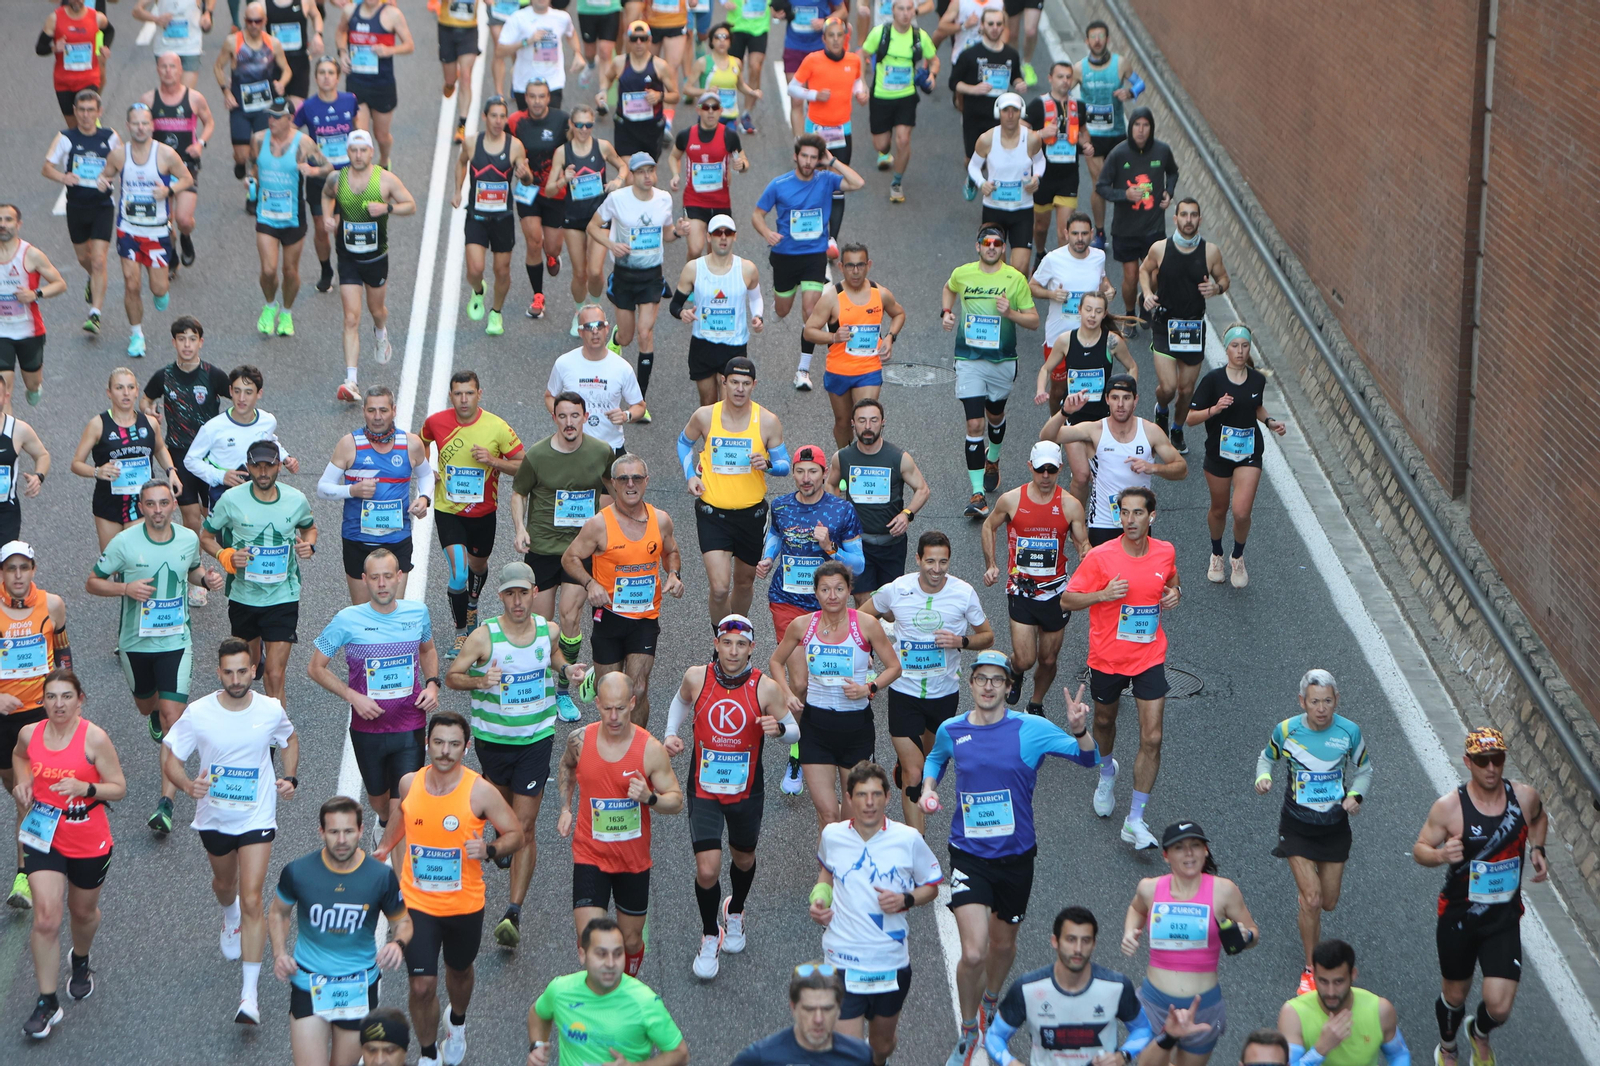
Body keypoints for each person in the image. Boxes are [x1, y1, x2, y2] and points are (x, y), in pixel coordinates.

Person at [919, 651, 1098, 1066]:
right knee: (974, 952)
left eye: (996, 680)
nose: (988, 686)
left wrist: (1080, 730)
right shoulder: (952, 729)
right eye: (981, 679)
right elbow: (936, 757)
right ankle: (968, 1030)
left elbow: (1089, 759)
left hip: (1017, 857)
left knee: (1003, 944)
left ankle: (991, 1001)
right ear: (971, 684)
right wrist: (929, 787)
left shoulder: (1031, 728)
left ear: (1009, 687)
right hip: (969, 855)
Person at [372, 711, 524, 1066]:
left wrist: (490, 849)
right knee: (421, 986)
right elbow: (403, 814)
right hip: (417, 904)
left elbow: (516, 834)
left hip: (464, 904)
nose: (445, 751)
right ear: (427, 744)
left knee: (459, 971)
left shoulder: (480, 791)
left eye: (454, 744)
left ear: (466, 747)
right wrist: (385, 845)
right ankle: (428, 1054)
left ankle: (456, 1022)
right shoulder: (410, 782)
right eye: (438, 742)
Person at [161, 637, 300, 1024]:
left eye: (242, 671)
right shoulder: (199, 712)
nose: (236, 679)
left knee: (253, 896)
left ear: (254, 670)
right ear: (218, 672)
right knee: (226, 885)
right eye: (228, 672)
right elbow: (170, 755)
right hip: (215, 817)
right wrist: (186, 785)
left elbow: (289, 739)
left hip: (257, 816)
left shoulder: (269, 709)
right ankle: (229, 913)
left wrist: (290, 776)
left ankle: (248, 997)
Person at [447, 561, 582, 947]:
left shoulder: (547, 630)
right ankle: (503, 838)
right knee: (504, 816)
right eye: (511, 594)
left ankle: (513, 912)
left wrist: (567, 671)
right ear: (501, 596)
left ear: (535, 592)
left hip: (536, 739)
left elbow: (553, 656)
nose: (518, 601)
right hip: (493, 741)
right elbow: (453, 676)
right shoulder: (483, 637)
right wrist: (478, 680)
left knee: (524, 827)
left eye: (524, 593)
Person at [663, 614, 797, 979]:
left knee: (743, 858)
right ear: (716, 645)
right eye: (727, 643)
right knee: (707, 869)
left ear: (752, 648)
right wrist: (670, 733)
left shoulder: (766, 688)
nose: (733, 651)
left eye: (741, 644)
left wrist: (779, 728)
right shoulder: (697, 677)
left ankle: (735, 909)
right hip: (704, 788)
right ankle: (710, 934)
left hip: (745, 790)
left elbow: (794, 732)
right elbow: (680, 702)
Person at [85, 480, 220, 836]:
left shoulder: (187, 538)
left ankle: (165, 803)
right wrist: (125, 588)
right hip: (136, 643)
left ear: (173, 505)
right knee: (148, 706)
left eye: (164, 503)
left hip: (176, 641)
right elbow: (93, 582)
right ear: (141, 507)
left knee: (173, 717)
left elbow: (192, 570)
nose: (158, 510)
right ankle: (153, 715)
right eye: (151, 504)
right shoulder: (124, 543)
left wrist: (206, 579)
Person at [1413, 726, 1547, 1066]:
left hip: (1503, 918)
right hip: (1459, 917)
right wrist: (1441, 855)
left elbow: (1539, 818)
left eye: (1497, 759)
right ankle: (1448, 1047)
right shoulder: (1449, 808)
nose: (1491, 768)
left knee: (1499, 1006)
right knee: (1455, 994)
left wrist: (1538, 848)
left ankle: (1479, 1032)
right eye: (1482, 760)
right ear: (1467, 762)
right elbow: (1420, 849)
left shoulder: (1524, 797)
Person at [1060, 485, 1179, 850]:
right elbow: (1067, 599)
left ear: (1151, 516)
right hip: (1108, 657)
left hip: (1149, 656)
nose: (1129, 520)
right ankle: (1107, 771)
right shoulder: (1101, 557)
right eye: (1124, 512)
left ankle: (1135, 819)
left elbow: (1170, 579)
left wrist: (1176, 593)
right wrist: (1102, 595)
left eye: (1137, 513)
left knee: (1152, 737)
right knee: (1104, 722)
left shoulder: (1165, 551)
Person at [10, 670, 124, 1040]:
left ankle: (80, 959)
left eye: (66, 696)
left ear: (80, 700)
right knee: (46, 919)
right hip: (44, 835)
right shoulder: (30, 733)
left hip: (88, 838)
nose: (59, 704)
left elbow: (118, 788)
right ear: (42, 701)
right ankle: (47, 1002)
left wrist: (86, 787)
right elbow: (19, 756)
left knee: (83, 913)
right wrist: (23, 782)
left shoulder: (94, 738)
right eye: (51, 697)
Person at [810, 761, 941, 1065]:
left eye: (876, 794)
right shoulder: (833, 835)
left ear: (887, 797)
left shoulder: (908, 839)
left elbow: (932, 886)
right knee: (849, 1053)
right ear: (849, 798)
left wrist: (906, 899)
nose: (869, 803)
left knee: (882, 1046)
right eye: (861, 795)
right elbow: (826, 873)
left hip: (890, 962)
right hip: (843, 959)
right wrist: (819, 899)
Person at [860, 531, 991, 832]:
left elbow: (987, 636)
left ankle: (910, 768)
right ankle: (915, 842)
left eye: (943, 562)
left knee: (931, 764)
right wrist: (869, 650)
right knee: (915, 773)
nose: (936, 569)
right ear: (918, 559)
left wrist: (961, 641)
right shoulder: (897, 589)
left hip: (943, 694)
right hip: (904, 692)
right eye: (930, 561)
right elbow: (861, 618)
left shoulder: (963, 593)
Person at [308, 548, 441, 838]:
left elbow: (428, 649)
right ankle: (382, 825)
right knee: (379, 802)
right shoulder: (347, 619)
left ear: (399, 577)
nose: (382, 584)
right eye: (375, 577)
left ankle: (392, 857)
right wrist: (352, 696)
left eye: (388, 576)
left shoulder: (417, 613)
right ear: (365, 579)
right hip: (368, 728)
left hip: (410, 724)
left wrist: (432, 684)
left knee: (403, 805)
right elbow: (316, 667)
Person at [556, 674, 684, 975]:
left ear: (633, 703)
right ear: (597, 704)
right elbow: (566, 766)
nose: (614, 717)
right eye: (607, 708)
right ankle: (599, 996)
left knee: (630, 940)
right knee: (591, 941)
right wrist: (565, 807)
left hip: (632, 861)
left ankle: (627, 987)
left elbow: (676, 801)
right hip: (590, 855)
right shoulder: (579, 740)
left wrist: (650, 798)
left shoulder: (650, 749)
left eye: (621, 709)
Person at [269, 796, 410, 1066]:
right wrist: (279, 953)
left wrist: (398, 943)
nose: (342, 840)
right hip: (309, 983)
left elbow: (402, 921)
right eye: (334, 832)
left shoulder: (380, 877)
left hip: (357, 987)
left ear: (361, 830)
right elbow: (278, 912)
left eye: (348, 831)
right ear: (321, 832)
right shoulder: (298, 872)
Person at [1257, 670, 1371, 994]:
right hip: (1296, 827)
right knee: (1312, 899)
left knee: (1328, 902)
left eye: (1328, 701)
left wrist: (1355, 795)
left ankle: (1311, 898)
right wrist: (1263, 778)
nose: (1321, 709)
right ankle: (1311, 969)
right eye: (1315, 702)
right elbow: (1266, 759)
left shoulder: (1349, 732)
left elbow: (1365, 769)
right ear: (1302, 701)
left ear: (1337, 700)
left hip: (1334, 828)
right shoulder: (1286, 730)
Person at [767, 561, 898, 827]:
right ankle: (826, 856)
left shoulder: (866, 624)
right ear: (816, 592)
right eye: (825, 589)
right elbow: (775, 661)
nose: (832, 596)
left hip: (855, 728)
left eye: (839, 588)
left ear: (849, 590)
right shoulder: (802, 625)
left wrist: (869, 688)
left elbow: (895, 667)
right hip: (816, 728)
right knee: (827, 816)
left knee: (850, 819)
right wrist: (787, 693)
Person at [1118, 822, 1260, 1066]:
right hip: (1155, 1003)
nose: (1189, 853)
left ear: (1205, 850)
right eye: (1179, 848)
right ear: (1166, 856)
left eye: (1195, 845)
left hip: (1203, 1006)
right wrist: (1130, 931)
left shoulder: (1224, 891)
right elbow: (1136, 908)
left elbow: (1253, 933)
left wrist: (1245, 937)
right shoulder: (1150, 888)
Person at [560, 455, 685, 725]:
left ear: (646, 481)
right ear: (613, 484)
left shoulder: (660, 520)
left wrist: (673, 574)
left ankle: (636, 745)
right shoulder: (599, 524)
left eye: (637, 478)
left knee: (637, 688)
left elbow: (671, 551)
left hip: (645, 617)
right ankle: (600, 690)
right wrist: (590, 583)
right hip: (609, 615)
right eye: (624, 479)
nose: (631, 484)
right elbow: (569, 558)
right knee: (610, 693)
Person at [512, 391, 612, 718]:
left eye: (575, 415)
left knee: (569, 617)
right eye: (563, 416)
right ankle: (539, 686)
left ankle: (562, 690)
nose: (569, 422)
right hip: (542, 549)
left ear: (585, 417)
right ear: (554, 418)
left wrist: (606, 529)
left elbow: (612, 491)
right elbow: (518, 493)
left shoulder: (601, 452)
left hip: (579, 550)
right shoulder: (537, 455)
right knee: (542, 625)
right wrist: (520, 529)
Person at [198, 440, 317, 708]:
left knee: (274, 675)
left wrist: (309, 545)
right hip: (244, 596)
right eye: (256, 466)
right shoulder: (231, 500)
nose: (263, 472)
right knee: (248, 671)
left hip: (283, 596)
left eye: (269, 466)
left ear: (279, 466)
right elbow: (206, 537)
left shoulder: (295, 499)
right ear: (248, 466)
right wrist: (226, 556)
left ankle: (276, 731)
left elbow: (309, 528)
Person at [420, 371, 526, 655]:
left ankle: (472, 604)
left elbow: (524, 465)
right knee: (458, 574)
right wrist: (427, 470)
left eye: (469, 393)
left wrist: (493, 461)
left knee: (477, 567)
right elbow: (420, 442)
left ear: (480, 394)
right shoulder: (436, 422)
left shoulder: (497, 427)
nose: (463, 399)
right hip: (448, 510)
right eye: (458, 394)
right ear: (450, 396)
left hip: (483, 513)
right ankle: (461, 635)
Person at [981, 440, 1088, 716]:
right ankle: (1015, 669)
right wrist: (991, 564)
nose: (1045, 476)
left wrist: (1085, 553)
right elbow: (989, 526)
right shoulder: (1012, 500)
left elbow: (1082, 542)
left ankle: (1036, 703)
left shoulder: (1070, 505)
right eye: (1040, 469)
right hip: (1022, 589)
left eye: (1051, 470)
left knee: (1048, 659)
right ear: (1030, 467)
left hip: (1056, 592)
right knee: (1026, 658)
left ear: (1060, 468)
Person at [679, 356, 790, 623]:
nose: (740, 389)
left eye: (746, 383)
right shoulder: (705, 416)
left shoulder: (767, 421)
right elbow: (684, 443)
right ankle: (722, 638)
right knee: (719, 588)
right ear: (724, 382)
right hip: (712, 512)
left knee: (744, 582)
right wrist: (690, 476)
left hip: (751, 514)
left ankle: (737, 635)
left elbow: (785, 465)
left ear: (754, 385)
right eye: (734, 382)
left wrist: (768, 465)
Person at [753, 135, 865, 391]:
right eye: (804, 156)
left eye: (814, 157)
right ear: (796, 156)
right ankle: (779, 304)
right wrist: (767, 233)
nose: (808, 161)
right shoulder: (779, 185)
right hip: (785, 256)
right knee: (783, 311)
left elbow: (857, 183)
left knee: (810, 310)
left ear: (819, 159)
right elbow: (757, 214)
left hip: (814, 255)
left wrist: (833, 161)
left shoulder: (826, 180)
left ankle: (802, 370)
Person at [942, 222, 1039, 517]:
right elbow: (948, 288)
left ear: (1003, 248)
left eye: (997, 243)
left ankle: (993, 457)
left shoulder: (1015, 279)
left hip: (1002, 361)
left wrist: (1011, 313)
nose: (992, 247)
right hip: (969, 360)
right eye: (987, 243)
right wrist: (946, 312)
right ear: (978, 246)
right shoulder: (962, 273)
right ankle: (977, 495)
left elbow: (1034, 320)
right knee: (975, 424)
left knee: (994, 415)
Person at [984, 905, 1153, 1066]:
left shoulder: (1117, 986)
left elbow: (1143, 1029)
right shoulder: (1027, 989)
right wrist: (1009, 1062)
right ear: (1055, 941)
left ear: (1094, 944)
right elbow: (994, 1036)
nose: (1078, 949)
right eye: (1071, 940)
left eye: (1085, 940)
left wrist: (1123, 1055)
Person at [1186, 324, 1285, 587]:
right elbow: (1190, 418)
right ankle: (1216, 553)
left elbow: (1256, 406)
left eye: (1244, 346)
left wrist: (1270, 422)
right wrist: (1215, 409)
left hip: (1249, 452)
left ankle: (1237, 557)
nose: (1240, 351)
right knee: (1219, 509)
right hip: (1218, 454)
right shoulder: (1213, 380)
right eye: (1234, 346)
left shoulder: (1257, 380)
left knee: (1241, 512)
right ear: (1226, 348)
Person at [0, 544, 71, 910]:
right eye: (10, 568)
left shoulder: (52, 605)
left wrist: (68, 696)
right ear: (2, 573)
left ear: (33, 570)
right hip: (3, 719)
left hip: (40, 716)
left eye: (23, 568)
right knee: (16, 789)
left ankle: (25, 876)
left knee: (26, 797)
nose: (17, 575)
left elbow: (63, 653)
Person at [322, 128, 417, 400]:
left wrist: (387, 208)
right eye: (354, 150)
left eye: (363, 150)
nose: (358, 155)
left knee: (377, 310)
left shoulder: (385, 180)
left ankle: (380, 331)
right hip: (348, 257)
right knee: (351, 317)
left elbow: (410, 205)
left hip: (375, 258)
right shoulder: (337, 178)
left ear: (371, 152)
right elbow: (327, 194)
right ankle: (351, 381)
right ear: (348, 152)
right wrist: (328, 216)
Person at [588, 154, 690, 408]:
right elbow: (592, 226)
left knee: (645, 333)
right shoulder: (617, 199)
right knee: (628, 337)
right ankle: (616, 339)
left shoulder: (664, 199)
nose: (647, 176)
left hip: (651, 277)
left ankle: (640, 401)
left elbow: (666, 234)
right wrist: (611, 244)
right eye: (641, 171)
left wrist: (677, 232)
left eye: (651, 171)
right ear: (632, 175)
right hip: (624, 276)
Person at [526, 916, 689, 1065]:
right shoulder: (560, 990)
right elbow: (538, 1014)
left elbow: (680, 1054)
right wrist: (537, 1047)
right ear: (582, 955)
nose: (610, 963)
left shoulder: (645, 1002)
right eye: (601, 954)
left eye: (618, 954)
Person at [320, 387, 432, 605]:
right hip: (358, 540)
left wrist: (424, 498)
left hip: (397, 540)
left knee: (393, 612)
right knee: (364, 614)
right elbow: (323, 487)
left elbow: (426, 474)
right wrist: (351, 490)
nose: (377, 417)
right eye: (371, 410)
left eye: (383, 410)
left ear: (394, 410)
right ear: (364, 411)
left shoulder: (410, 443)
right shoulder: (349, 444)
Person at [102, 103, 195, 358]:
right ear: (128, 126)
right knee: (131, 283)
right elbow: (106, 176)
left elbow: (187, 179)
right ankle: (136, 335)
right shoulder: (119, 155)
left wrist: (169, 190)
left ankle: (160, 292)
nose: (140, 128)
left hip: (156, 232)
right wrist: (102, 183)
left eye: (145, 123)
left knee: (159, 289)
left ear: (152, 125)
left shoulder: (165, 154)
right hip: (128, 230)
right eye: (135, 123)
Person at [1051, 375, 1184, 547]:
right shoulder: (1095, 429)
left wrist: (1154, 467)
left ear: (1135, 400)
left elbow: (1181, 469)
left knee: (1137, 565)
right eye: (1115, 398)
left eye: (1126, 398)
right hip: (1103, 523)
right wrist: (1064, 412)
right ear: (1107, 399)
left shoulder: (1150, 432)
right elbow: (1048, 436)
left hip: (1138, 522)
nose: (1120, 404)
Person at [1142, 198, 1228, 451]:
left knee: (1186, 389)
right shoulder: (1160, 248)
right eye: (1184, 215)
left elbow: (1224, 279)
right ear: (1175, 218)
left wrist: (1216, 288)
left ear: (1199, 219)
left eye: (1193, 215)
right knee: (1168, 388)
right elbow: (1144, 270)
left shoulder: (1210, 251)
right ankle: (1161, 408)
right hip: (1164, 324)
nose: (1188, 220)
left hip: (1192, 328)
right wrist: (1147, 293)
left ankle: (1177, 429)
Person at [825, 398, 929, 603]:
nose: (868, 426)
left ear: (882, 422)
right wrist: (838, 511)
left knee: (890, 606)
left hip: (891, 543)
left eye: (873, 420)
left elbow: (922, 489)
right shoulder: (842, 457)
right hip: (857, 544)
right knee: (863, 600)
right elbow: (830, 484)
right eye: (862, 420)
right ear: (853, 424)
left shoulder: (898, 457)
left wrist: (906, 514)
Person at [1036, 293, 1135, 507]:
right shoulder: (1066, 340)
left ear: (1104, 314)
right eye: (1088, 310)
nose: (1092, 315)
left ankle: (1104, 517)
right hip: (1075, 418)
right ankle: (1077, 521)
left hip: (1104, 420)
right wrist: (1040, 390)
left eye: (1098, 311)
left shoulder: (1111, 341)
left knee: (1106, 475)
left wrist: (1129, 395)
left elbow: (1132, 367)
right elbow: (1045, 368)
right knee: (1082, 476)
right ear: (1079, 310)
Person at [803, 245, 905, 449]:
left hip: (869, 369)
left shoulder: (880, 294)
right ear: (841, 267)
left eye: (860, 265)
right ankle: (845, 459)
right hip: (838, 370)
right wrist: (833, 336)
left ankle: (866, 461)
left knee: (866, 421)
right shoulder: (832, 297)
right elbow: (809, 331)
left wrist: (890, 337)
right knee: (843, 423)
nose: (855, 271)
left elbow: (899, 314)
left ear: (869, 265)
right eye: (850, 266)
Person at [71, 368, 183, 550]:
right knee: (112, 559)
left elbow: (160, 448)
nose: (126, 393)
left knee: (138, 558)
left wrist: (171, 471)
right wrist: (97, 471)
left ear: (137, 391)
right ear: (109, 393)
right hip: (108, 504)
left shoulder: (150, 423)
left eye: (131, 387)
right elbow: (76, 464)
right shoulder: (98, 425)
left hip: (141, 503)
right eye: (119, 388)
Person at [141, 318, 229, 542]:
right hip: (179, 453)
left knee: (215, 517)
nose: (187, 345)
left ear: (201, 342)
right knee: (191, 520)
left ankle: (224, 553)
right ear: (174, 342)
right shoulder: (164, 376)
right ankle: (193, 563)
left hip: (210, 455)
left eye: (192, 339)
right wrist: (149, 410)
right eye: (182, 339)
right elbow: (145, 399)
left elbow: (239, 398)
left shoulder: (212, 374)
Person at [41, 90, 120, 336]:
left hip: (102, 206)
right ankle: (93, 279)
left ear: (99, 112)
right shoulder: (66, 138)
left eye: (91, 110)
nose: (86, 115)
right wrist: (63, 177)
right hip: (76, 206)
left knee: (98, 260)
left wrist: (108, 177)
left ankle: (94, 314)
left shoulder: (110, 137)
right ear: (75, 112)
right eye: (82, 110)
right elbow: (46, 168)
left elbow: (121, 164)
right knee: (84, 259)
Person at [543, 106, 628, 331]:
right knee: (580, 273)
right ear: (571, 125)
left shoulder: (602, 147)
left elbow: (623, 166)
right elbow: (549, 190)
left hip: (599, 217)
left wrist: (618, 180)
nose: (583, 129)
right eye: (579, 125)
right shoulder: (562, 152)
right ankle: (580, 312)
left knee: (595, 271)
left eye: (588, 125)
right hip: (574, 218)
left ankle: (595, 309)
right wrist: (563, 179)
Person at [251, 96, 328, 337]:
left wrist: (312, 170)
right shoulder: (258, 139)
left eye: (277, 117)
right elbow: (254, 165)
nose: (271, 120)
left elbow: (327, 167)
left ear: (290, 118)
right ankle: (269, 306)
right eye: (269, 116)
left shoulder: (303, 143)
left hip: (293, 217)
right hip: (266, 215)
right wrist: (252, 180)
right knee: (268, 270)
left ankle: (286, 312)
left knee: (290, 271)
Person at [1094, 108, 1176, 332]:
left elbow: (1173, 172)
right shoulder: (1118, 154)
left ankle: (1144, 300)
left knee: (1157, 275)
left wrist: (1169, 192)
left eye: (1145, 125)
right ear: (1130, 128)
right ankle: (1130, 315)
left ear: (1151, 128)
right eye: (1137, 125)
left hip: (1154, 228)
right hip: (1125, 229)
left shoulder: (1162, 151)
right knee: (1131, 277)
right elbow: (1101, 186)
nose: (1141, 130)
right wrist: (1125, 194)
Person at [454, 94, 528, 337]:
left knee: (502, 270)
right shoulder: (472, 143)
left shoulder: (515, 146)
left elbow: (527, 179)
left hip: (502, 218)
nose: (498, 121)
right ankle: (478, 290)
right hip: (476, 215)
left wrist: (525, 174)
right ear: (485, 117)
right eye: (494, 116)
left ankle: (496, 312)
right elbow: (461, 163)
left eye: (502, 116)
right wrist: (458, 191)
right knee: (475, 269)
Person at [671, 215, 765, 406]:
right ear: (708, 237)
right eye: (717, 233)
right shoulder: (693, 269)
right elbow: (675, 305)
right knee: (707, 404)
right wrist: (682, 313)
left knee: (728, 404)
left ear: (734, 237)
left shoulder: (747, 269)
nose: (723, 237)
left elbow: (756, 297)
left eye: (728, 233)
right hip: (703, 344)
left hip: (734, 345)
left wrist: (758, 316)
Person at [1031, 214, 1116, 421]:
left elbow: (1102, 280)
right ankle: (1056, 426)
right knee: (1059, 390)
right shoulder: (1053, 259)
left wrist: (1109, 289)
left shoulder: (1098, 257)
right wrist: (1052, 294)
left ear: (1092, 234)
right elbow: (1032, 286)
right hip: (1058, 336)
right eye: (1075, 233)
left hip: (1091, 336)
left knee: (1089, 386)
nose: (1079, 238)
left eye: (1084, 234)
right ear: (1066, 233)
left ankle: (1087, 427)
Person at [791, 20, 867, 242]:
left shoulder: (853, 60)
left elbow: (857, 82)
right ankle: (808, 229)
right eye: (831, 35)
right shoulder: (812, 60)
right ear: (823, 39)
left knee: (837, 186)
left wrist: (861, 93)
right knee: (811, 180)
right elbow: (792, 88)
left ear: (845, 38)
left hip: (842, 132)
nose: (835, 39)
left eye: (839, 35)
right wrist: (814, 95)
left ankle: (832, 238)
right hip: (815, 132)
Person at [1278, 939, 1410, 1066]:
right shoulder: (1293, 1015)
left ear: (1353, 974)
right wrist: (1320, 1050)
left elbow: (1399, 1055)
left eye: (1338, 982)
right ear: (1313, 975)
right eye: (1323, 981)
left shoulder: (1380, 1010)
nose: (1330, 992)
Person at [183, 364, 297, 508]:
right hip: (223, 496)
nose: (241, 398)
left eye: (248, 392)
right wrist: (220, 476)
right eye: (237, 391)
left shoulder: (267, 421)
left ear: (259, 393)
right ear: (230, 391)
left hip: (257, 492)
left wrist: (286, 458)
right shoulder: (212, 428)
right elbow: (190, 460)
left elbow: (269, 440)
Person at [859, 0, 938, 204]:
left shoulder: (919, 36)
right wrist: (861, 82)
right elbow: (862, 54)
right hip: (881, 96)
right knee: (881, 144)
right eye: (901, 9)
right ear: (893, 10)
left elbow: (934, 60)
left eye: (909, 9)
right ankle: (885, 152)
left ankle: (897, 181)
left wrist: (932, 75)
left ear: (913, 11)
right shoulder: (880, 33)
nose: (905, 13)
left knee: (903, 140)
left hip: (906, 96)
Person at [140, 53, 214, 273]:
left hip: (186, 166)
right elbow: (139, 129)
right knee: (165, 221)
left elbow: (209, 122)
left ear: (180, 70)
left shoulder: (194, 98)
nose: (168, 71)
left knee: (183, 219)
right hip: (159, 168)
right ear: (157, 70)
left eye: (172, 66)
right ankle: (171, 258)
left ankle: (186, 236)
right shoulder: (148, 100)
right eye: (163, 67)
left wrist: (200, 143)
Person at [215, 3, 292, 209]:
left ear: (264, 21)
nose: (254, 25)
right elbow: (218, 67)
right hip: (240, 106)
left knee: (259, 153)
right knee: (242, 154)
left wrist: (282, 83)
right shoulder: (233, 42)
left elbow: (286, 69)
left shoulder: (273, 43)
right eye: (249, 21)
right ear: (245, 21)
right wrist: (226, 91)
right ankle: (241, 163)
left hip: (264, 108)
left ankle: (254, 193)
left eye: (258, 21)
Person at [545, 304, 647, 457]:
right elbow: (549, 396)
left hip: (611, 448)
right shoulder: (564, 363)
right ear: (580, 332)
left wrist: (626, 415)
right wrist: (563, 416)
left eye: (599, 325)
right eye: (588, 327)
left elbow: (639, 406)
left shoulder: (622, 368)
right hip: (573, 448)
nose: (595, 331)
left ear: (607, 329)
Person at [294, 57, 359, 292]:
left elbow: (358, 130)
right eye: (321, 72)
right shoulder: (308, 106)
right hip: (319, 177)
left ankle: (346, 268)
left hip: (347, 175)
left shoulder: (350, 100)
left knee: (343, 227)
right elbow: (292, 132)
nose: (326, 77)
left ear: (338, 77)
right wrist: (302, 156)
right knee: (322, 228)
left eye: (331, 72)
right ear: (315, 77)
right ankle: (325, 270)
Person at [507, 81, 570, 321]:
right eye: (532, 96)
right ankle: (538, 296)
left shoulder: (561, 120)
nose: (536, 101)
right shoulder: (515, 121)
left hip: (555, 191)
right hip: (528, 190)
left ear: (548, 98)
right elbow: (504, 149)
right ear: (525, 98)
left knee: (552, 246)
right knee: (533, 242)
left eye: (541, 96)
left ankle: (552, 255)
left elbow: (575, 147)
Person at [1077, 20, 1142, 248]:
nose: (1097, 41)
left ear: (1107, 39)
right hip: (1092, 136)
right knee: (1099, 184)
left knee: (1124, 183)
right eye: (1093, 37)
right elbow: (1063, 90)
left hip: (1117, 134)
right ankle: (1100, 232)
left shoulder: (1120, 63)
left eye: (1101, 36)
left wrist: (1130, 93)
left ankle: (1125, 229)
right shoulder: (1079, 68)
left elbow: (1140, 83)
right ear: (1087, 41)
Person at [731, 964, 872, 1065]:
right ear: (793, 1007)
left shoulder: (861, 1056)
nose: (818, 1019)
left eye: (827, 1009)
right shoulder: (759, 1058)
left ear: (839, 1009)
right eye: (809, 1009)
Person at [669, 92, 751, 261]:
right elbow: (673, 157)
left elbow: (743, 161)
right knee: (695, 249)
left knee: (714, 254)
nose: (711, 111)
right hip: (694, 201)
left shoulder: (729, 136)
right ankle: (691, 277)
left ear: (720, 111)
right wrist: (675, 175)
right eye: (706, 107)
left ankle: (709, 278)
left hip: (721, 203)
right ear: (699, 110)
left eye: (715, 107)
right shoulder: (686, 135)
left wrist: (741, 165)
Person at [968, 93, 1042, 274]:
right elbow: (973, 166)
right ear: (998, 112)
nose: (1010, 115)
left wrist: (1036, 177)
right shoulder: (986, 139)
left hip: (1022, 209)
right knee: (997, 268)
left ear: (1021, 112)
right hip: (994, 209)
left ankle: (1018, 293)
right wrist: (981, 183)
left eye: (1014, 110)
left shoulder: (1032, 138)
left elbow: (1040, 161)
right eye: (1005, 110)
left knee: (1020, 268)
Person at [0, 206, 66, 409]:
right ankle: (6, 429)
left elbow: (60, 284)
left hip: (29, 331)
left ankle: (34, 389)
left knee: (33, 383)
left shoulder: (31, 255)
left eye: (8, 220)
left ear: (18, 224)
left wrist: (35, 294)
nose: (3, 224)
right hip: (2, 332)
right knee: (4, 390)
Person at [1025, 66, 1091, 266]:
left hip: (1068, 177)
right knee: (1040, 227)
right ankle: (1040, 253)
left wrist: (1086, 144)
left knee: (1064, 233)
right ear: (1050, 78)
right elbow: (1021, 134)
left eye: (1068, 77)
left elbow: (1083, 131)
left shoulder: (1079, 106)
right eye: (1060, 77)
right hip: (1042, 175)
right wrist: (1041, 134)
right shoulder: (1038, 105)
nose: (1065, 81)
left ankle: (1063, 270)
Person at [336, 0, 415, 169]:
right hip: (357, 82)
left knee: (381, 136)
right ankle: (365, 175)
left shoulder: (392, 14)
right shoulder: (350, 11)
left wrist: (389, 50)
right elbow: (340, 32)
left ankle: (385, 160)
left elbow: (409, 45)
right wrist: (342, 53)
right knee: (361, 136)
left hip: (382, 85)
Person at [951, 12, 1024, 191]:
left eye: (999, 24)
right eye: (990, 24)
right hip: (974, 115)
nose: (995, 28)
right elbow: (953, 82)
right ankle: (973, 176)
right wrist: (973, 89)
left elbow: (1015, 76)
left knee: (997, 159)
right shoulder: (969, 54)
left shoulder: (1011, 54)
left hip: (1001, 117)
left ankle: (994, 193)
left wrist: (1019, 83)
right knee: (973, 158)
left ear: (1003, 26)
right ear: (982, 26)